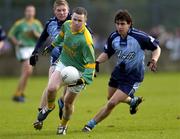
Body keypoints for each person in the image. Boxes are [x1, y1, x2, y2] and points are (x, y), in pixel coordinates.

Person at [82, 9, 161, 132]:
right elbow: (107, 53)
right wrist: (96, 62)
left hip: (133, 76)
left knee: (112, 103)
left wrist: (154, 60)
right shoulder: (113, 37)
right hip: (118, 72)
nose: (120, 26)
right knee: (110, 97)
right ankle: (132, 101)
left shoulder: (139, 37)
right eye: (117, 23)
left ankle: (90, 124)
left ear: (129, 24)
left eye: (123, 24)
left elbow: (156, 48)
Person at [36, 7, 95, 135]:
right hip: (63, 62)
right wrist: (52, 46)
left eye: (80, 20)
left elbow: (91, 63)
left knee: (68, 104)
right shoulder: (67, 25)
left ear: (85, 22)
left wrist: (85, 79)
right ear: (71, 18)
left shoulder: (86, 41)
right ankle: (50, 106)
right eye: (74, 19)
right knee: (51, 88)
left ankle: (63, 125)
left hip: (79, 72)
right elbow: (61, 36)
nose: (76, 22)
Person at [30, 0, 71, 130]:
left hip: (73, 58)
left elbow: (89, 35)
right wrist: (34, 51)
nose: (62, 12)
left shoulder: (75, 21)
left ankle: (62, 102)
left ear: (68, 10)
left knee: (69, 86)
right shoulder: (50, 23)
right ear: (55, 11)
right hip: (56, 57)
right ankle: (40, 116)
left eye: (64, 10)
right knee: (51, 86)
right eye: (59, 10)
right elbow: (42, 38)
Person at [8, 5, 43, 102]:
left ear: (34, 12)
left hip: (32, 49)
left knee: (28, 72)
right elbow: (11, 35)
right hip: (22, 48)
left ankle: (20, 93)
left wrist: (34, 33)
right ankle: (18, 94)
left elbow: (41, 37)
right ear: (25, 12)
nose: (30, 13)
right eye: (28, 11)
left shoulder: (37, 23)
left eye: (32, 11)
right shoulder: (19, 23)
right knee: (27, 70)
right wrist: (17, 42)